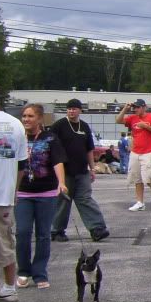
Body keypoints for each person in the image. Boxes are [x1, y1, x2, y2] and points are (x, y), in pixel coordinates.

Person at [15, 103, 68, 289]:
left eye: (30, 116)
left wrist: (61, 182)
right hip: (22, 192)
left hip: (46, 193)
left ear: (39, 118)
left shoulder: (50, 138)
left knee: (43, 234)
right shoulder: (18, 137)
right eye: (24, 116)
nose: (26, 119)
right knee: (22, 232)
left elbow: (57, 162)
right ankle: (23, 270)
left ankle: (39, 272)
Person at [0, 81, 29, 302]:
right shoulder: (15, 124)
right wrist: (13, 190)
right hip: (4, 194)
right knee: (6, 241)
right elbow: (22, 164)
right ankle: (8, 288)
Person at [50, 98, 110, 243]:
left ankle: (97, 228)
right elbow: (51, 147)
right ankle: (57, 230)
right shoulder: (59, 125)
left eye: (74, 108)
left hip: (82, 170)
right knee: (63, 201)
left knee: (85, 199)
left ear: (80, 110)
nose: (71, 111)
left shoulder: (84, 126)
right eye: (69, 108)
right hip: (65, 170)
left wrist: (92, 168)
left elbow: (89, 149)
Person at [116, 99, 151, 211]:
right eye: (134, 108)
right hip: (135, 152)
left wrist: (145, 126)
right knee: (137, 178)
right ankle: (140, 202)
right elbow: (118, 120)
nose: (135, 109)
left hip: (148, 151)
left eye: (137, 107)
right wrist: (125, 109)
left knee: (149, 177)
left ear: (144, 107)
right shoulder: (132, 118)